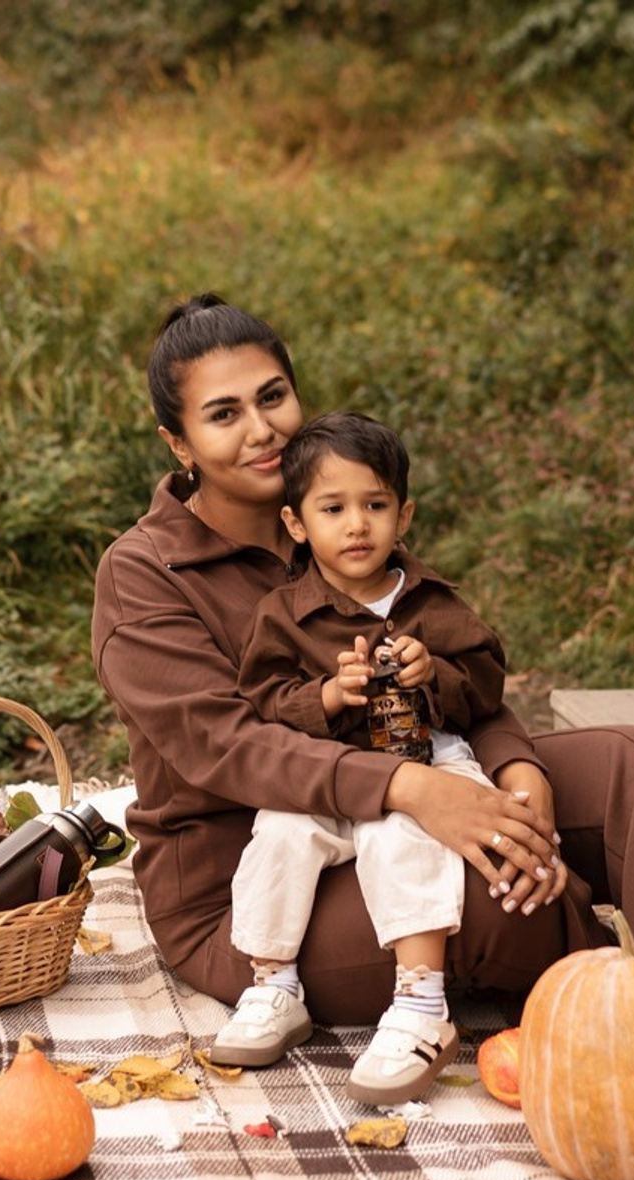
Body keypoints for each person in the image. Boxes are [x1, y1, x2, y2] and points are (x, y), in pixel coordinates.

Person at [90, 292, 634, 1103]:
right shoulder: (145, 572)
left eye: (271, 397)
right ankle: (620, 950)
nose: (260, 429)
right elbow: (225, 747)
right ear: (177, 441)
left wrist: (516, 772)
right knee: (488, 893)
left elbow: (447, 661)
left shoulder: (350, 515)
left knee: (623, 760)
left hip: (403, 803)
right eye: (223, 414)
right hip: (265, 889)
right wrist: (416, 790)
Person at [212, 411, 508, 1106]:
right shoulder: (285, 615)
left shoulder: (430, 603)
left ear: (403, 515)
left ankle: (420, 1004)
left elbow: (487, 685)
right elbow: (262, 701)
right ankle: (274, 983)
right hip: (327, 773)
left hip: (424, 764)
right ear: (295, 523)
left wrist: (432, 672)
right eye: (333, 508)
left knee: (400, 830)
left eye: (375, 506)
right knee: (278, 831)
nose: (356, 525)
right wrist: (325, 695)